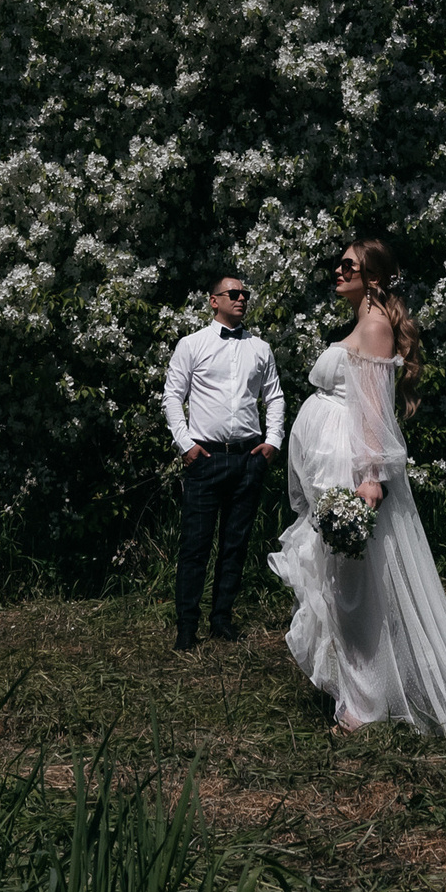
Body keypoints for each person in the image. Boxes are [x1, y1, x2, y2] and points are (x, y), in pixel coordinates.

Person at [270, 238, 446, 735]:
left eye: (348, 265)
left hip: (352, 472)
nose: (338, 270)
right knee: (340, 584)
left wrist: (370, 480)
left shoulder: (374, 328)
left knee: (355, 589)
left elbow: (375, 410)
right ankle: (359, 691)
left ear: (373, 278)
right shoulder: (361, 322)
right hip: (331, 468)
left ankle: (365, 709)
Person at [163, 273, 282, 651]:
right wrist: (185, 445)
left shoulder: (260, 348)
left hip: (247, 458)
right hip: (205, 458)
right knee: (195, 545)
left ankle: (222, 619)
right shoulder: (191, 344)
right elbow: (171, 397)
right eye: (234, 293)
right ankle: (187, 625)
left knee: (236, 543)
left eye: (246, 293)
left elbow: (274, 397)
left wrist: (273, 441)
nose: (242, 298)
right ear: (213, 301)